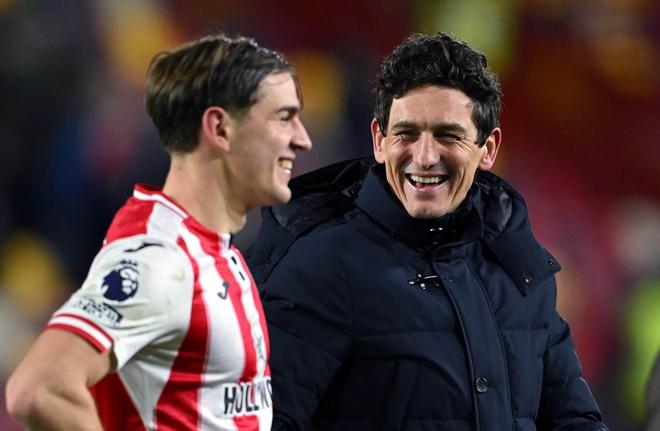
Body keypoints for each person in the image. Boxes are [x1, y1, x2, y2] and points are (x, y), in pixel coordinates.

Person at [246, 32, 608, 430]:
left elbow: (572, 418)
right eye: (406, 133)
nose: (424, 156)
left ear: (488, 148)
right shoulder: (321, 264)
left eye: (448, 135)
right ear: (379, 141)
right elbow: (264, 420)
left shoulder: (517, 266)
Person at [5, 34, 311, 430]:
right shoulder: (161, 260)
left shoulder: (220, 253)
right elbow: (39, 389)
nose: (302, 139)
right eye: (283, 118)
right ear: (220, 128)